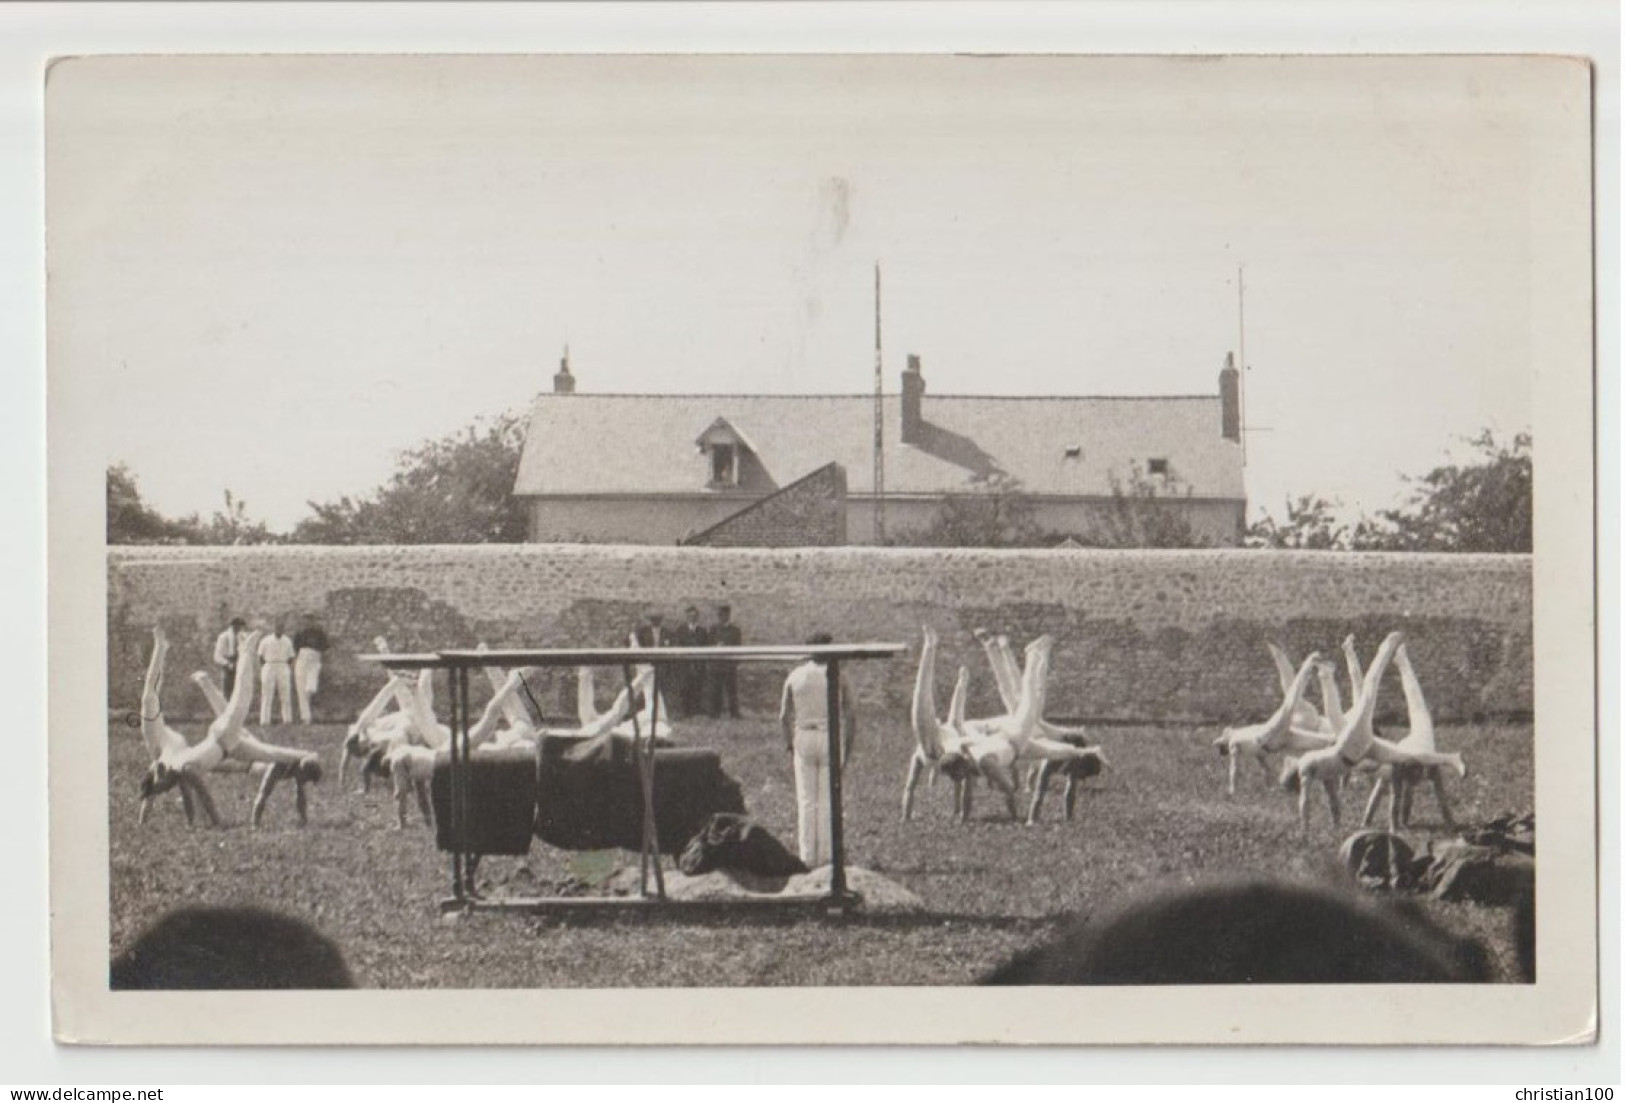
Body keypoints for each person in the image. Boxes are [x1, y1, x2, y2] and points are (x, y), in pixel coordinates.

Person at [777, 632, 857, 867]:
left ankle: (808, 856)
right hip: (828, 736)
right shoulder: (838, 676)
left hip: (804, 735)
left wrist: (789, 744)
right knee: (827, 798)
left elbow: (783, 716)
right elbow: (851, 714)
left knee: (807, 799)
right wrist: (848, 747)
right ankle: (827, 855)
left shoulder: (795, 676)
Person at [669, 605, 710, 718]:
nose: (692, 617)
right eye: (690, 615)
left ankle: (695, 709)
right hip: (685, 663)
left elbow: (705, 646)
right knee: (685, 686)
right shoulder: (681, 630)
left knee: (697, 685)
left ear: (697, 617)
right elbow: (678, 645)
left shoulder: (702, 631)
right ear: (687, 616)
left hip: (698, 663)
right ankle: (685, 710)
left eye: (694, 616)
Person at [291, 614, 330, 724]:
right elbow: (295, 650)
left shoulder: (319, 633)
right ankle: (306, 717)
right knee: (301, 689)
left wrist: (320, 658)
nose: (308, 622)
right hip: (302, 659)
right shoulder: (300, 633)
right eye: (306, 620)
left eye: (310, 620)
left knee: (311, 687)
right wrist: (294, 662)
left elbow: (325, 648)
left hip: (315, 659)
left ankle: (307, 713)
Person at [257, 620, 297, 725]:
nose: (279, 630)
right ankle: (265, 720)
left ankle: (287, 720)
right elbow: (260, 656)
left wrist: (286, 667)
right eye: (277, 627)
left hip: (283, 666)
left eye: (281, 628)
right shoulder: (266, 640)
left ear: (283, 629)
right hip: (269, 665)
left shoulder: (287, 641)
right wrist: (266, 666)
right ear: (274, 628)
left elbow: (291, 657)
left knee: (285, 694)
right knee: (267, 694)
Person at [708, 604, 743, 719]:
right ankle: (715, 712)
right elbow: (709, 644)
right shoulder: (714, 629)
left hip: (729, 664)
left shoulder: (735, 630)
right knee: (716, 689)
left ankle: (734, 712)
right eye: (720, 615)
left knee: (732, 689)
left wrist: (734, 662)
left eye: (724, 615)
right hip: (717, 663)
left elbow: (738, 647)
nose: (722, 617)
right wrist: (716, 647)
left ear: (728, 616)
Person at [212, 617, 246, 697]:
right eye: (236, 626)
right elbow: (217, 655)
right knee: (227, 690)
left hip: (240, 663)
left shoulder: (242, 637)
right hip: (228, 664)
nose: (238, 628)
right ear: (232, 626)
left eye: (239, 627)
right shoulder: (224, 637)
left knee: (240, 691)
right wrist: (227, 663)